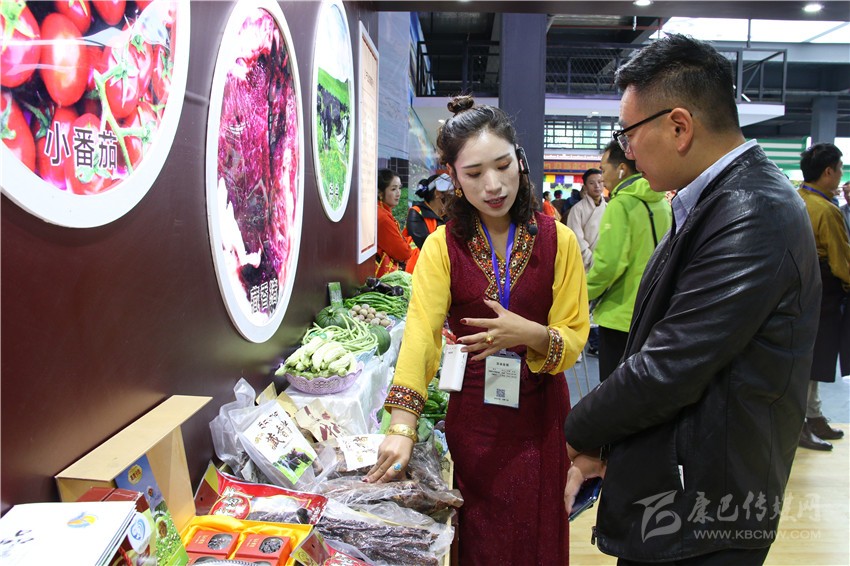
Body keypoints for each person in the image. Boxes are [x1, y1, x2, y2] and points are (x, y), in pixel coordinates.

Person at [563, 34, 820, 565]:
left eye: (628, 133)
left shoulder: (752, 211)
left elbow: (669, 366)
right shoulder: (713, 201)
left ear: (679, 126)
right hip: (683, 490)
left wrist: (566, 436)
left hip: (703, 511)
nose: (627, 151)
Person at [365, 95, 589, 565]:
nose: (493, 185)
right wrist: (403, 424)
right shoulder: (442, 247)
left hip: (542, 415)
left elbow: (573, 335)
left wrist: (529, 333)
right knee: (481, 540)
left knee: (539, 537)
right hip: (476, 418)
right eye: (473, 174)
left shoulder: (559, 240)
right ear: (453, 176)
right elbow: (421, 335)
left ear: (519, 160)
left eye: (503, 165)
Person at [585, 141, 671, 382]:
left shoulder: (621, 204)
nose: (602, 177)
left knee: (613, 389)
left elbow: (609, 265)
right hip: (654, 312)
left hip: (620, 315)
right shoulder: (662, 203)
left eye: (604, 169)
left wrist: (582, 292)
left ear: (621, 169)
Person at [796, 143, 849, 451]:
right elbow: (842, 263)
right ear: (828, 172)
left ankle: (813, 416)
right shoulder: (827, 210)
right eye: (840, 170)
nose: (841, 176)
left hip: (796, 290)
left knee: (808, 359)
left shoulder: (796, 198)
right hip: (823, 294)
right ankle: (801, 423)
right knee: (813, 360)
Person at [376, 169, 415, 277]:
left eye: (399, 188)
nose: (398, 193)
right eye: (393, 189)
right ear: (380, 192)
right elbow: (403, 253)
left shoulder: (379, 211)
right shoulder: (382, 217)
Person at [566, 168, 607, 270]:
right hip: (584, 263)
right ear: (585, 187)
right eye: (592, 183)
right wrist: (592, 261)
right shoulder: (577, 209)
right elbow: (576, 239)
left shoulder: (609, 208)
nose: (597, 186)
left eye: (600, 182)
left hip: (606, 261)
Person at [405, 173, 450, 249]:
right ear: (438, 193)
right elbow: (425, 245)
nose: (451, 198)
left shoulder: (447, 215)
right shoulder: (416, 213)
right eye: (449, 194)